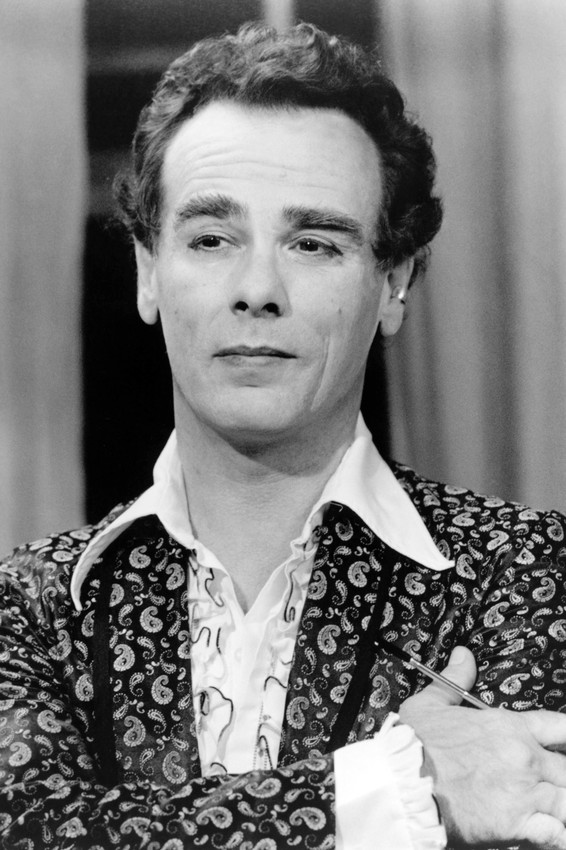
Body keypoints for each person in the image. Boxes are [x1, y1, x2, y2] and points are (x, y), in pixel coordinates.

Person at [1, 22, 566, 850]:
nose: (257, 288)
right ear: (148, 272)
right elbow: (28, 831)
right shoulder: (31, 606)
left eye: (312, 243)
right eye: (211, 239)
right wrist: (397, 792)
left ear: (395, 281)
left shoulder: (535, 575)